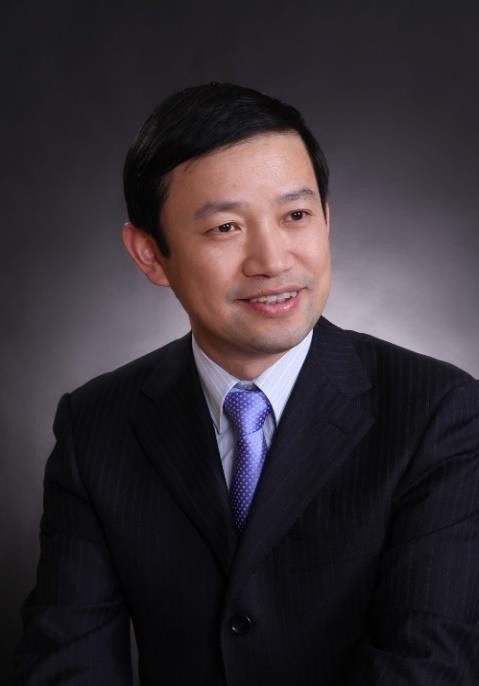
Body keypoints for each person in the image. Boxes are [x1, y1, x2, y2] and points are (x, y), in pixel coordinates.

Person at [17, 83, 479, 685]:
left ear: (326, 218)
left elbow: (429, 664)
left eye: (295, 216)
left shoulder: (439, 412)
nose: (273, 260)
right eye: (226, 227)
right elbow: (68, 664)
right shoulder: (95, 425)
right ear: (150, 254)